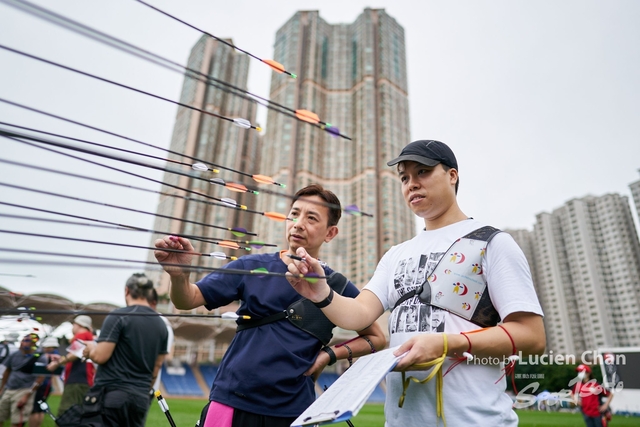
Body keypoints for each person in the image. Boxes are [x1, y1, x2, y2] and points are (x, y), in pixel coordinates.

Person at [287, 140, 546, 426]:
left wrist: (446, 344)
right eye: (404, 178)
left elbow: (532, 336)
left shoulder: (491, 241)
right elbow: (359, 314)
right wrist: (322, 292)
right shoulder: (396, 254)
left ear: (452, 176)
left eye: (422, 172)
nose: (412, 184)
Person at [154, 184, 386, 427]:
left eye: (311, 218)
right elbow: (188, 299)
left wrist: (328, 355)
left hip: (294, 410)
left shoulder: (335, 285)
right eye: (294, 214)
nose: (298, 223)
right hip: (232, 399)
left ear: (330, 233)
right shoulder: (251, 266)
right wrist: (179, 276)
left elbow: (376, 337)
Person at [81, 273, 169, 427]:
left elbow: (101, 356)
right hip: (140, 398)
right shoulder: (162, 325)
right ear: (149, 293)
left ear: (127, 291)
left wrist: (90, 350)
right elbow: (157, 366)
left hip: (111, 395)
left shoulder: (119, 316)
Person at [46, 315, 95, 416]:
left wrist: (56, 363)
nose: (73, 327)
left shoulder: (82, 335)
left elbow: (74, 354)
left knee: (66, 414)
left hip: (77, 381)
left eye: (74, 324)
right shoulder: (88, 336)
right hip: (83, 380)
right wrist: (61, 359)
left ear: (79, 325)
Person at [142, 287, 174, 423]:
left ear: (152, 303)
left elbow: (158, 360)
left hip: (144, 386)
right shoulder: (137, 319)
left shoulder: (163, 325)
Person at [0, 334, 45, 427]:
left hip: (24, 390)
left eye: (27, 341)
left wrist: (27, 395)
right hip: (9, 389)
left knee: (17, 422)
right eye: (23, 340)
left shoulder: (39, 356)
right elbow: (7, 371)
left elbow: (40, 378)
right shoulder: (14, 355)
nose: (23, 343)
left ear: (34, 343)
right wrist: (2, 388)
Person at [29, 336, 59, 427]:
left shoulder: (46, 356)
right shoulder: (57, 356)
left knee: (34, 408)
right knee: (40, 407)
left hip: (41, 384)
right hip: (47, 385)